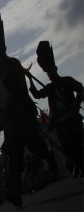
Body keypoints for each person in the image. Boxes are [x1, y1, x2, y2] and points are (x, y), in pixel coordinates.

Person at [0, 12, 57, 206]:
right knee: (14, 156)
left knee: (35, 146)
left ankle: (48, 156)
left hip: (22, 115)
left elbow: (20, 89)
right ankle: (16, 192)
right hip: (9, 120)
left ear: (1, 48)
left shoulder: (13, 64)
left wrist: (19, 107)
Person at [29, 41, 83, 177]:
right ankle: (77, 164)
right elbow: (36, 94)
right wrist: (29, 78)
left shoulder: (67, 81)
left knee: (80, 143)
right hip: (60, 122)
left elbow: (81, 90)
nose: (50, 76)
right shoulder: (50, 88)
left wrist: (76, 105)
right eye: (49, 74)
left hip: (72, 118)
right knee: (67, 147)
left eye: (51, 73)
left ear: (55, 70)